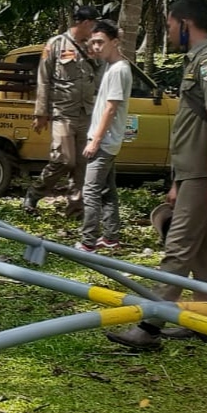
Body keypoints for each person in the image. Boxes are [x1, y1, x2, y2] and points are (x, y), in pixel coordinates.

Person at [107, 0, 207, 350]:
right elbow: (193, 123)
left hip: (201, 173)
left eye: (170, 25)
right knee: (203, 249)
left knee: (177, 250)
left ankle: (149, 327)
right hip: (190, 173)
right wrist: (178, 182)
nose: (169, 31)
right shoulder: (196, 62)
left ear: (185, 24)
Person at [23, 6, 100, 216]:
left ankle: (76, 208)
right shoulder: (56, 44)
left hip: (86, 113)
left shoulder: (93, 46)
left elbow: (100, 78)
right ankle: (35, 192)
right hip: (63, 112)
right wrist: (41, 113)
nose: (94, 28)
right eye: (92, 24)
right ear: (84, 23)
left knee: (82, 164)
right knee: (64, 160)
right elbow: (44, 78)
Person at [76, 21, 131, 253]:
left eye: (100, 42)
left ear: (115, 42)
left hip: (104, 141)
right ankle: (110, 237)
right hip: (107, 140)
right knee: (107, 191)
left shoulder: (118, 69)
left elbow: (111, 108)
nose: (96, 47)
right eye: (93, 42)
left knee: (90, 192)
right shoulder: (112, 67)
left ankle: (88, 242)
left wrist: (95, 141)